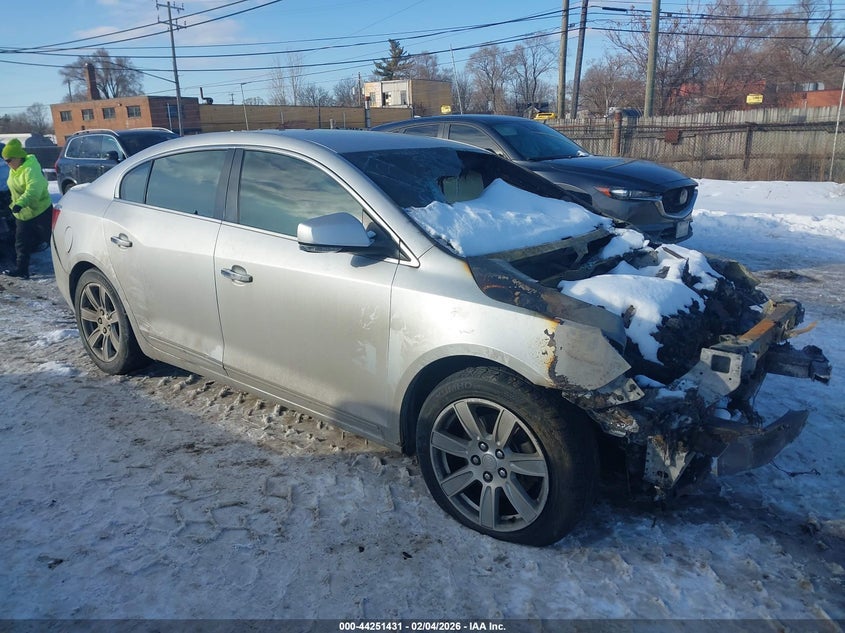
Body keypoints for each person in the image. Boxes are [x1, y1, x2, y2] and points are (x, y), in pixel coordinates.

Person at [2, 138, 52, 279]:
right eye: (5, 160)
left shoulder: (31, 168)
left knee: (51, 240)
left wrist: (20, 203)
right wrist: (12, 203)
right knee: (21, 243)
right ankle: (22, 270)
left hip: (40, 211)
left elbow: (34, 190)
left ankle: (66, 268)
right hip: (23, 214)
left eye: (9, 160)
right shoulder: (15, 169)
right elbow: (14, 189)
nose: (7, 163)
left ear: (18, 157)